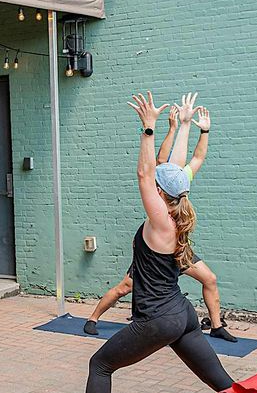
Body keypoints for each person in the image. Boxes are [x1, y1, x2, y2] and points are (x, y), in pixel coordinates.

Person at [56, 92, 232, 393]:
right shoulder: (177, 210)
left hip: (157, 319)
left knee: (100, 363)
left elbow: (144, 172)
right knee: (219, 381)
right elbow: (175, 166)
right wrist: (183, 125)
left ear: (160, 193)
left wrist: (149, 129)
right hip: (181, 313)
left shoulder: (160, 222)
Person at [84, 104, 238, 342]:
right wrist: (184, 127)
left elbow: (169, 165)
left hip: (177, 254)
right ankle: (93, 318)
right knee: (125, 287)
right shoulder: (166, 208)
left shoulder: (170, 194)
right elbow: (178, 161)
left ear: (160, 190)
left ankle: (216, 325)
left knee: (210, 279)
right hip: (155, 257)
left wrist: (172, 127)